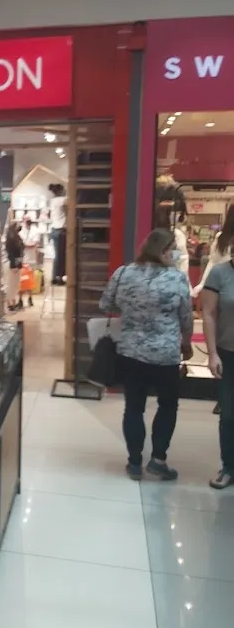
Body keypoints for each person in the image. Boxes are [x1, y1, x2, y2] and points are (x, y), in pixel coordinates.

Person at [100, 228, 193, 481]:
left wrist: (132, 309)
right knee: (167, 406)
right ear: (163, 251)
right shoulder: (177, 279)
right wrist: (186, 344)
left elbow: (106, 304)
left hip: (131, 352)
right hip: (166, 355)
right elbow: (186, 318)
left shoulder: (123, 273)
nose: (175, 254)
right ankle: (158, 460)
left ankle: (134, 462)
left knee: (133, 407)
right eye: (173, 249)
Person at [200, 258, 234, 488]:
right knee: (229, 413)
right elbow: (209, 313)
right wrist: (212, 353)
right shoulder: (220, 273)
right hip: (227, 352)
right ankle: (228, 467)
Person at [192, 204, 234, 297]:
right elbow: (213, 262)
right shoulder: (221, 238)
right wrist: (203, 283)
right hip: (223, 286)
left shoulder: (221, 238)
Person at [19, 217, 40, 308]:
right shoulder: (20, 231)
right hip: (23, 259)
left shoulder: (35, 230)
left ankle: (30, 297)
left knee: (30, 280)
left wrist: (26, 245)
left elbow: (34, 243)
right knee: (22, 280)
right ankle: (20, 299)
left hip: (31, 259)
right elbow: (20, 243)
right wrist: (27, 245)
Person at [49, 183, 67, 285]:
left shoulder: (52, 201)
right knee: (61, 256)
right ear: (61, 191)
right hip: (61, 231)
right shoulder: (62, 200)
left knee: (57, 255)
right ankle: (59, 278)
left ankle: (55, 276)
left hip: (54, 230)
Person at [4, 221, 24, 313]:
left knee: (15, 284)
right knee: (11, 284)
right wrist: (14, 265)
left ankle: (12, 302)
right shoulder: (11, 239)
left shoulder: (17, 237)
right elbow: (11, 253)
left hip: (17, 263)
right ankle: (9, 304)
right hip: (13, 264)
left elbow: (20, 251)